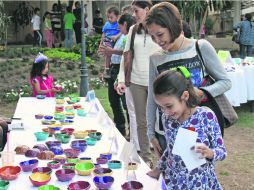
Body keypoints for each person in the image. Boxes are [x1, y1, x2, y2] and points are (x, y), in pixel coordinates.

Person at [145, 2, 231, 157]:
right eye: (152, 36)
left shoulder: (200, 47)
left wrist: (202, 92)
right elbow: (152, 97)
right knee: (170, 176)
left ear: (172, 26)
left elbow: (225, 82)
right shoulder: (155, 58)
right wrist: (151, 133)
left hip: (199, 130)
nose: (157, 41)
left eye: (160, 34)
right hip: (167, 131)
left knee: (199, 177)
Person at [147, 69, 227, 189]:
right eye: (161, 107)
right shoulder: (167, 119)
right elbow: (170, 149)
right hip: (176, 182)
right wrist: (158, 169)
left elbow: (222, 152)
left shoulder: (206, 116)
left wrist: (210, 153)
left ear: (185, 96)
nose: (166, 112)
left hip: (201, 183)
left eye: (169, 106)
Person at [116, 0, 161, 166]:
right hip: (136, 83)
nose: (134, 15)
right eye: (133, 11)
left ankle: (165, 158)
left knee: (160, 121)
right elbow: (125, 57)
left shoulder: (159, 29)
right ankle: (146, 159)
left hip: (156, 83)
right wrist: (121, 79)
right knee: (141, 122)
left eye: (137, 11)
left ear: (147, 10)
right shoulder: (133, 30)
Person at [98, 13, 135, 137]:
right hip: (114, 69)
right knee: (113, 101)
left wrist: (111, 51)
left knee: (126, 104)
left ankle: (131, 132)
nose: (117, 28)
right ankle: (120, 128)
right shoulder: (120, 36)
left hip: (123, 71)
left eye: (119, 25)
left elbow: (128, 53)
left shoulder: (130, 37)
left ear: (125, 24)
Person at [100, 6, 121, 79]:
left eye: (111, 17)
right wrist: (101, 43)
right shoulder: (107, 24)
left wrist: (116, 37)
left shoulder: (119, 24)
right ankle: (107, 68)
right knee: (108, 54)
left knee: (114, 54)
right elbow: (104, 34)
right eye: (108, 17)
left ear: (117, 16)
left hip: (116, 41)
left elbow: (122, 32)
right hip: (108, 40)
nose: (109, 19)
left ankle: (112, 66)